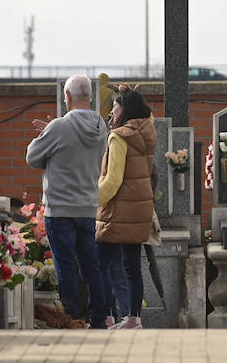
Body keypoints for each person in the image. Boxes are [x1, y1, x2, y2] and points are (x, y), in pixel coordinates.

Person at [26, 75, 109, 327]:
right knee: (91, 266)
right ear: (90, 97)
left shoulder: (58, 127)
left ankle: (70, 317)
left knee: (65, 266)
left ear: (68, 97)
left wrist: (46, 133)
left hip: (60, 208)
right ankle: (98, 318)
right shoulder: (101, 127)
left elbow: (32, 156)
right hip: (87, 207)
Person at [95, 88, 157, 330]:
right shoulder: (147, 131)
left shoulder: (119, 137)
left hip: (118, 211)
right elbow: (148, 114)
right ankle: (133, 318)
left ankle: (106, 316)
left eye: (116, 106)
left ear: (126, 110)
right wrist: (129, 94)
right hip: (139, 210)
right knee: (132, 266)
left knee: (99, 265)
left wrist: (92, 200)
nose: (112, 111)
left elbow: (113, 180)